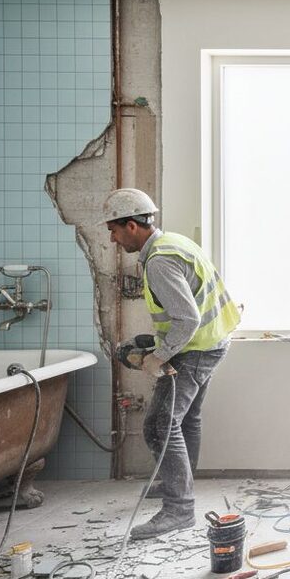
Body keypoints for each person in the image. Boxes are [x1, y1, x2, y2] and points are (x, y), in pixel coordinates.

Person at [102, 188, 241, 539]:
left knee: (160, 425)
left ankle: (178, 508)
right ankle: (179, 484)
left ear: (131, 225)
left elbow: (187, 320)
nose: (112, 238)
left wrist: (157, 357)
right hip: (214, 340)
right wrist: (157, 344)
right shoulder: (173, 242)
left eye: (113, 230)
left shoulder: (159, 261)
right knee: (187, 417)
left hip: (197, 348)